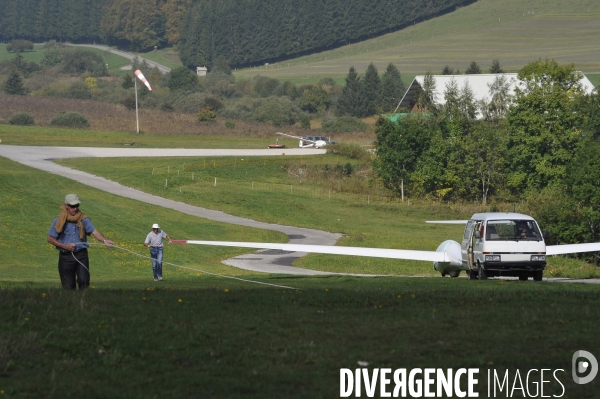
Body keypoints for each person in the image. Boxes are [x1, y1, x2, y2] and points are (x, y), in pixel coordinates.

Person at [47, 194, 114, 290]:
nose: (75, 208)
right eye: (72, 206)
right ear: (66, 206)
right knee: (68, 287)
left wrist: (104, 240)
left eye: (77, 206)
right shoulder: (59, 220)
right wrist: (65, 246)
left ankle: (84, 302)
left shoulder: (84, 219)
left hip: (81, 256)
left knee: (84, 281)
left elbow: (94, 232)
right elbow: (50, 238)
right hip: (65, 257)